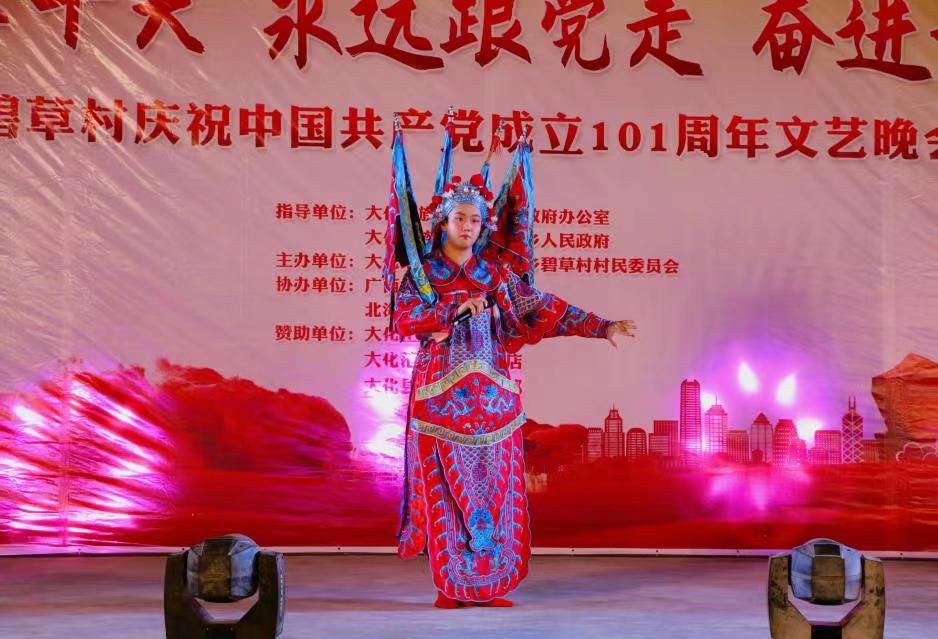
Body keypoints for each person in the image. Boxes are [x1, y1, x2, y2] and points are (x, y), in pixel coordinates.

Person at [393, 173, 636, 608]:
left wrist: (601, 327)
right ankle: (451, 585)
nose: (468, 227)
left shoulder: (495, 275)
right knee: (446, 491)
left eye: (475, 220)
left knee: (495, 491)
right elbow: (405, 319)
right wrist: (452, 310)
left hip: (495, 402)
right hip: (440, 403)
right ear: (443, 222)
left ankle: (490, 583)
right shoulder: (423, 274)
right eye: (460, 218)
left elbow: (541, 308)